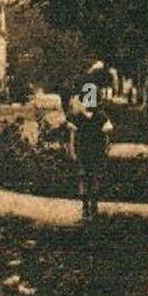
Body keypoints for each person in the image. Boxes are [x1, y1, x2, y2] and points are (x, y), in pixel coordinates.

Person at [65, 89, 114, 220]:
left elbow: (107, 132)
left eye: (92, 99)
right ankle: (85, 206)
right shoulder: (79, 117)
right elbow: (73, 135)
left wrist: (106, 148)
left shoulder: (100, 116)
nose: (90, 102)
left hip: (96, 151)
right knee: (84, 178)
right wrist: (72, 150)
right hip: (83, 151)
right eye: (87, 99)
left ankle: (93, 205)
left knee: (95, 178)